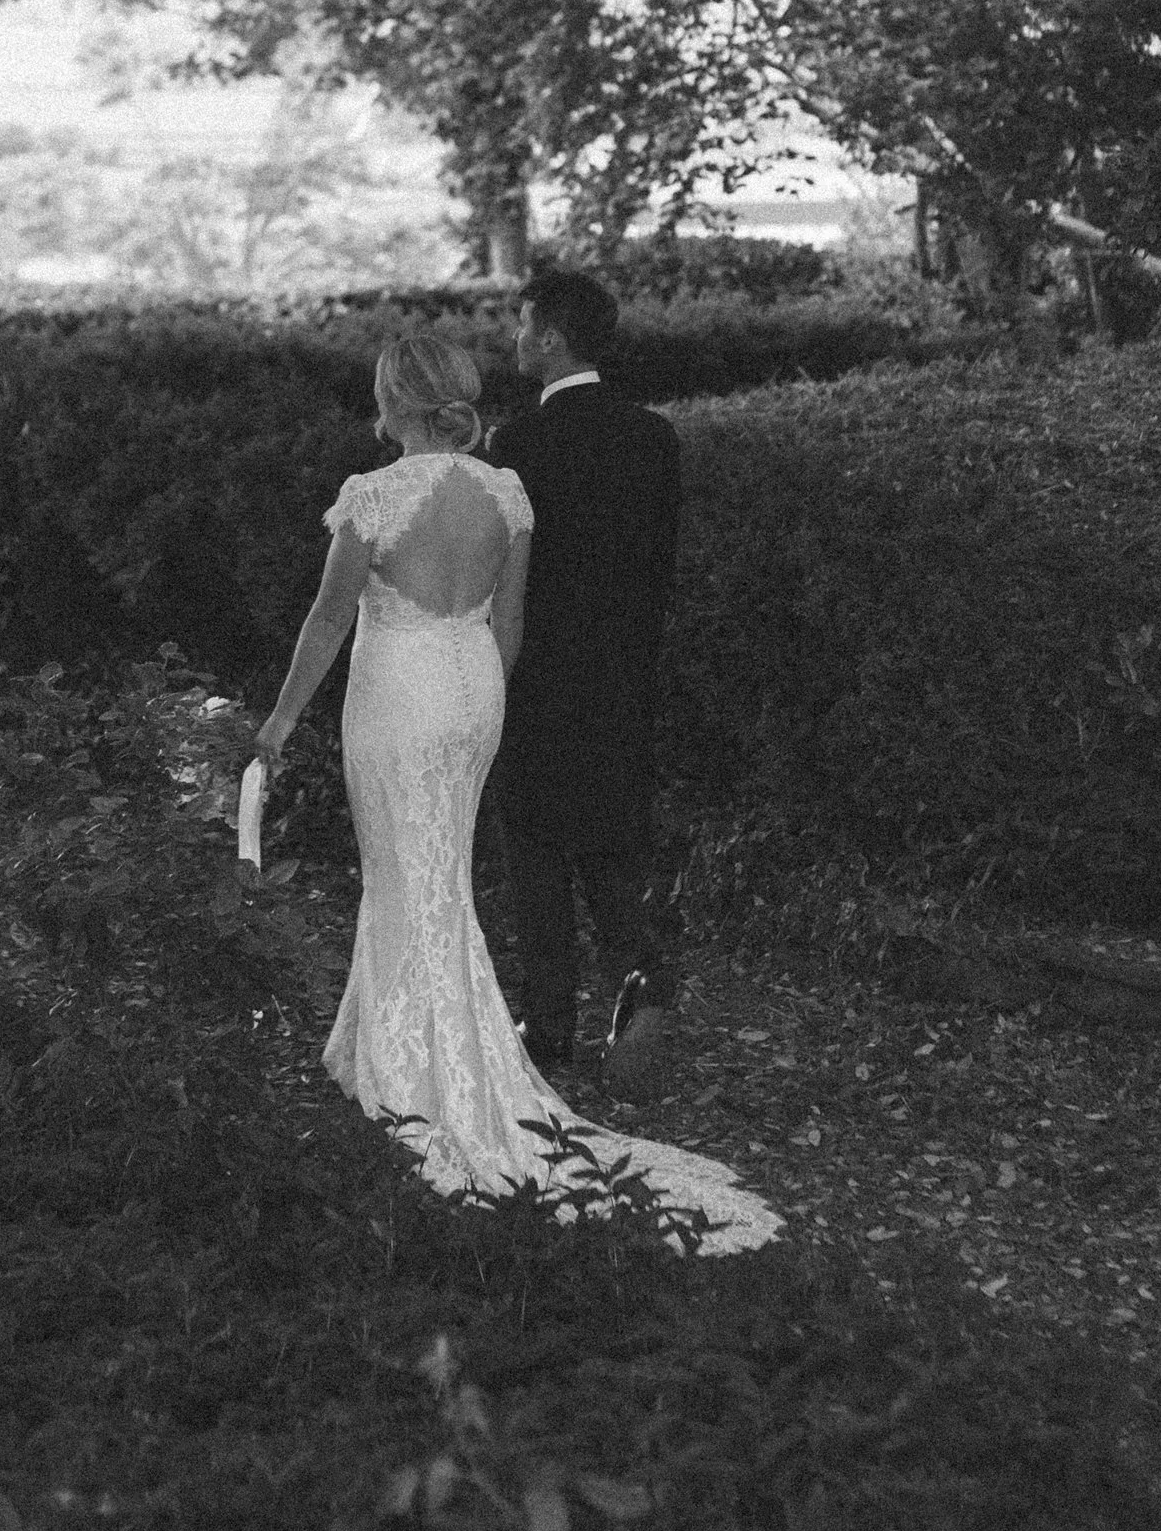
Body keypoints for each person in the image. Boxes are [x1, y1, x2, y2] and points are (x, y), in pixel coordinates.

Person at [245, 323, 775, 1253]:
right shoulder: (507, 493)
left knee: (401, 875)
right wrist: (482, 706)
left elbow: (328, 621)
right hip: (473, 694)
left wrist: (278, 725)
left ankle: (408, 1073)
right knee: (440, 876)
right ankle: (392, 1044)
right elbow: (511, 620)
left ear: (393, 401)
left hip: (400, 696)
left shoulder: (372, 496)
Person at [486, 265, 681, 1080]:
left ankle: (550, 1024)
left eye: (525, 324)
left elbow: (508, 572)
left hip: (538, 674)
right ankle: (642, 980)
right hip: (623, 673)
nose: (516, 337)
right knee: (610, 842)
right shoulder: (653, 438)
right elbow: (660, 567)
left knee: (534, 848)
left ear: (553, 341)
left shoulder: (517, 444)